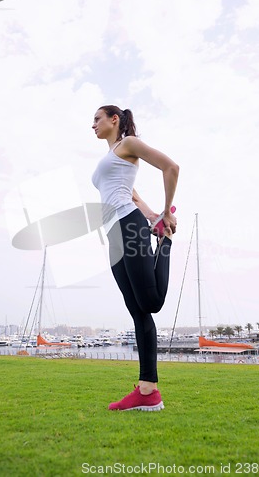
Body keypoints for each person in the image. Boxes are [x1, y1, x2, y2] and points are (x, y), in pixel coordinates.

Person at [92, 105, 179, 411]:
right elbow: (134, 196)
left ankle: (165, 243)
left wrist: (167, 214)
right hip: (114, 233)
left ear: (114, 120)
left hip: (128, 226)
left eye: (97, 119)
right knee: (137, 310)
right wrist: (154, 214)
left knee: (151, 303)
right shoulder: (111, 156)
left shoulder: (128, 143)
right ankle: (147, 391)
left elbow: (171, 167)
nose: (93, 125)